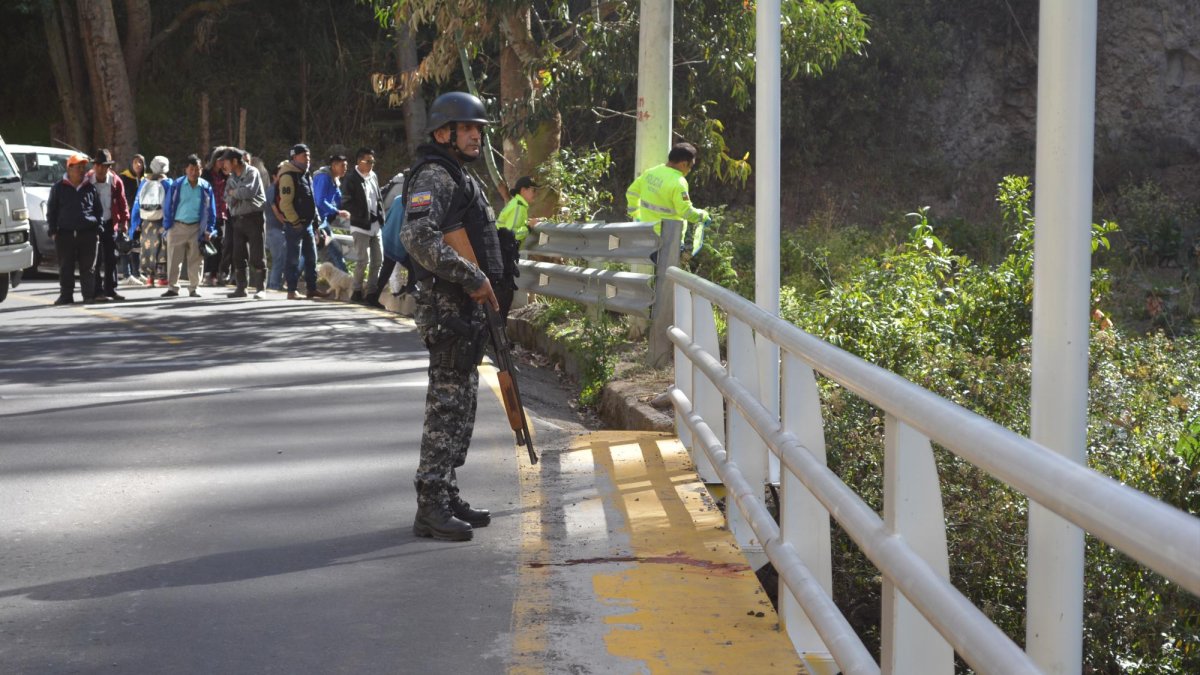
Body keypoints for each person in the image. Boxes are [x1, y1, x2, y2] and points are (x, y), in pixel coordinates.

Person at [399, 91, 505, 542]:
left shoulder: (459, 175)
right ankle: (430, 505)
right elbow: (418, 238)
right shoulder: (435, 176)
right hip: (447, 308)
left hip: (464, 306)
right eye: (469, 129)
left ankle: (447, 490)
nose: (477, 135)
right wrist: (471, 276)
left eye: (479, 129)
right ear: (444, 133)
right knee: (445, 406)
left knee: (462, 403)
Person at [625, 142, 711, 255]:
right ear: (684, 164)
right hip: (669, 240)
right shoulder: (679, 182)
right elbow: (685, 211)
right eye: (691, 166)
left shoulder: (651, 172)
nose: (690, 170)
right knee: (668, 272)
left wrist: (636, 214)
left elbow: (631, 192)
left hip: (647, 234)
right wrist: (702, 216)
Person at [46, 153, 105, 305]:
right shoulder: (58, 188)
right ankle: (66, 296)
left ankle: (88, 296)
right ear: (69, 168)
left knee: (88, 268)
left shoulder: (90, 188)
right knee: (66, 267)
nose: (81, 170)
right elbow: (51, 210)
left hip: (88, 234)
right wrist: (53, 231)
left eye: (83, 167)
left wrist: (98, 228)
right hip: (64, 234)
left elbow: (98, 211)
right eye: (78, 167)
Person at [160, 154, 216, 298]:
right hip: (177, 226)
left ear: (201, 170)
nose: (194, 172)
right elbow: (168, 206)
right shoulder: (176, 185)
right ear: (186, 169)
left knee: (196, 260)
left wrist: (209, 228)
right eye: (191, 169)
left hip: (197, 228)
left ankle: (194, 288)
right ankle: (172, 287)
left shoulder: (205, 186)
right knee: (173, 259)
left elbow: (211, 210)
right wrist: (167, 226)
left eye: (197, 169)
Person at [277, 143, 322, 300]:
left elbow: (311, 199)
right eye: (304, 156)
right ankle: (291, 290)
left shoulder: (306, 174)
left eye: (309, 155)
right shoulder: (288, 175)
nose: (308, 159)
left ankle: (312, 288)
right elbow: (285, 203)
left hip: (308, 224)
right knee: (293, 258)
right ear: (294, 157)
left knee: (311, 258)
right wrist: (295, 221)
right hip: (294, 225)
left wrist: (316, 222)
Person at [341, 147, 384, 304]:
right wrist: (360, 213)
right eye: (369, 161)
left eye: (373, 161)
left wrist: (380, 215)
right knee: (362, 260)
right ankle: (357, 291)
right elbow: (345, 201)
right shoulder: (351, 178)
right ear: (360, 161)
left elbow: (378, 197)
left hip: (375, 224)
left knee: (378, 260)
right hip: (360, 225)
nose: (372, 164)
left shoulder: (373, 176)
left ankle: (372, 294)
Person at [222, 147, 267, 298]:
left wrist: (234, 193)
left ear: (235, 161)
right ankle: (241, 288)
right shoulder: (231, 177)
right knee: (238, 255)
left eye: (226, 162)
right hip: (237, 220)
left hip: (254, 218)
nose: (224, 165)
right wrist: (235, 194)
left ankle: (261, 289)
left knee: (257, 255)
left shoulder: (252, 172)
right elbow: (226, 197)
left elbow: (248, 192)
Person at [86, 148, 130, 300]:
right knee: (96, 259)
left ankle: (110, 289)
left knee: (112, 257)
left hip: (110, 222)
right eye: (98, 165)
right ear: (95, 166)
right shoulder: (88, 180)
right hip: (93, 224)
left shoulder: (115, 181)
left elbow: (123, 202)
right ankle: (97, 291)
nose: (101, 169)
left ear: (108, 167)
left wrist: (124, 221)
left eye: (104, 166)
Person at [495, 175, 537, 318]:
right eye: (533, 190)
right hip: (503, 255)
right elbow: (510, 234)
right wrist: (529, 227)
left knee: (504, 296)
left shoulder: (517, 205)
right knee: (504, 297)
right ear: (523, 190)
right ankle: (499, 333)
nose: (535, 194)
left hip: (500, 254)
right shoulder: (518, 207)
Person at [130, 156, 171, 286]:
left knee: (147, 247)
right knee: (162, 248)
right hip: (162, 220)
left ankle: (149, 278)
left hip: (146, 221)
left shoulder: (144, 182)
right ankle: (162, 277)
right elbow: (172, 204)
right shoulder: (168, 183)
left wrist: (135, 223)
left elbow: (137, 203)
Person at [310, 150, 350, 273]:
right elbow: (319, 201)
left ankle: (289, 279)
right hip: (317, 221)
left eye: (346, 166)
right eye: (342, 165)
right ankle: (347, 279)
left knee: (311, 252)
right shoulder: (324, 177)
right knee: (334, 250)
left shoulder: (334, 179)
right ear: (333, 166)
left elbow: (339, 199)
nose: (345, 168)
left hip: (323, 221)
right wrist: (337, 212)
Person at [203, 146, 231, 286]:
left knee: (221, 243)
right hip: (209, 213)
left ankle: (220, 272)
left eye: (224, 161)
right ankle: (210, 273)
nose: (222, 163)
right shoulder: (206, 174)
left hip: (223, 213)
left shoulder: (225, 175)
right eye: (220, 160)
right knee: (211, 242)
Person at [118, 154, 145, 283]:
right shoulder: (124, 177)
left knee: (137, 246)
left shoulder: (145, 179)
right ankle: (126, 274)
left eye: (140, 162)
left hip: (140, 216)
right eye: (135, 162)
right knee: (125, 244)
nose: (138, 165)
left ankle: (137, 273)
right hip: (127, 216)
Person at [263, 161, 289, 292]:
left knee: (284, 257)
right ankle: (273, 285)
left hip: (280, 229)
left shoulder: (282, 189)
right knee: (279, 258)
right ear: (274, 176)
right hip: (272, 229)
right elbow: (276, 212)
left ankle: (277, 283)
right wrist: (289, 224)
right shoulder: (272, 189)